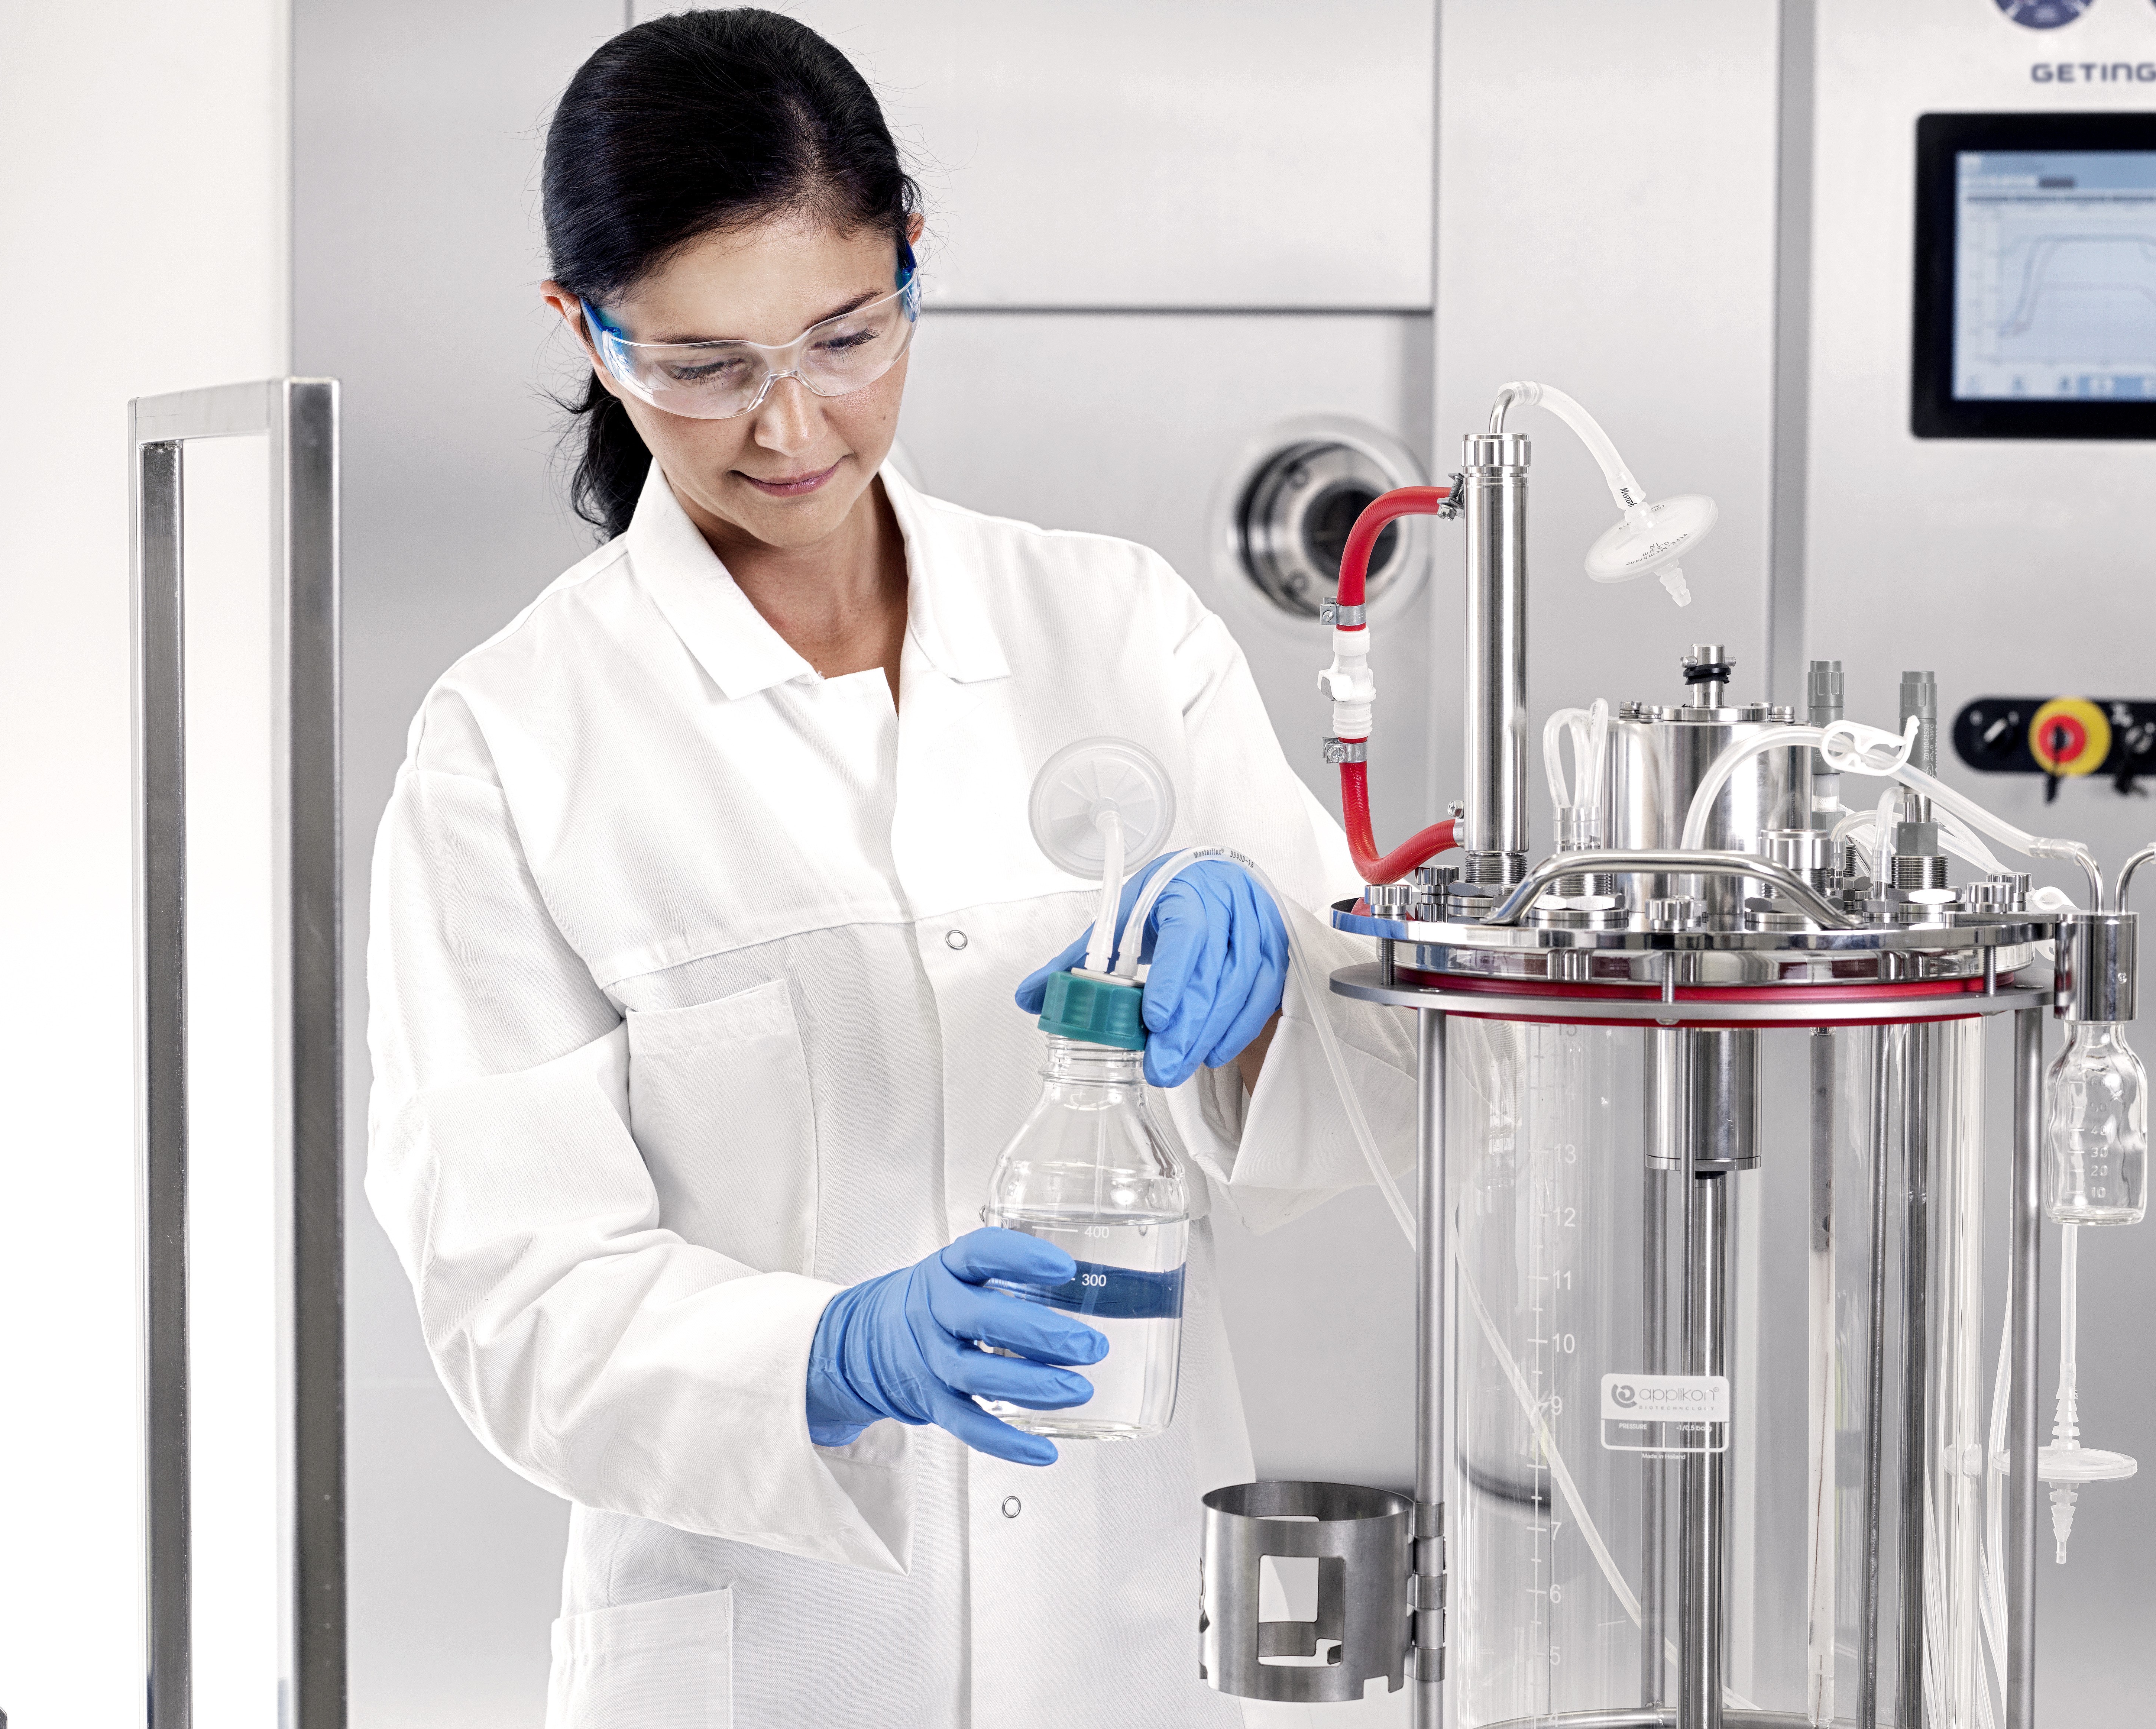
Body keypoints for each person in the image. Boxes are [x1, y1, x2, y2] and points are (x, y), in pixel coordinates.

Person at [362, 12, 1413, 1724]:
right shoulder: (513, 738)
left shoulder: (1120, 627)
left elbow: (1383, 1085)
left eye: (844, 335)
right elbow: (515, 1300)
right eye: (703, 366)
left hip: (1131, 1631)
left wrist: (1273, 977)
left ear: (911, 257)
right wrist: (828, 1354)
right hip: (765, 1656)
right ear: (587, 331)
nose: (789, 423)